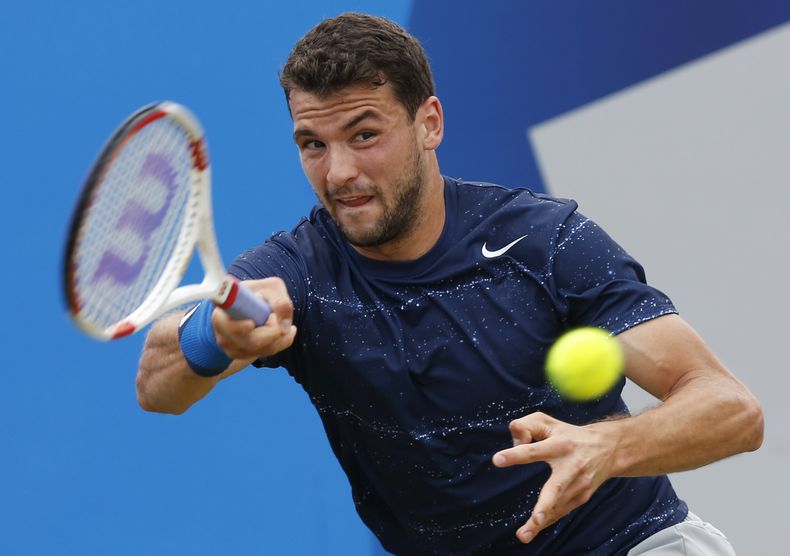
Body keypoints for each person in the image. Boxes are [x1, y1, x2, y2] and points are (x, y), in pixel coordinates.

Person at [136, 12, 763, 555]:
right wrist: (214, 338)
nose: (340, 171)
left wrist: (606, 446)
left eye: (364, 134)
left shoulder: (545, 241)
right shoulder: (298, 269)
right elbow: (157, 385)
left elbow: (730, 410)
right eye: (313, 144)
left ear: (429, 123)